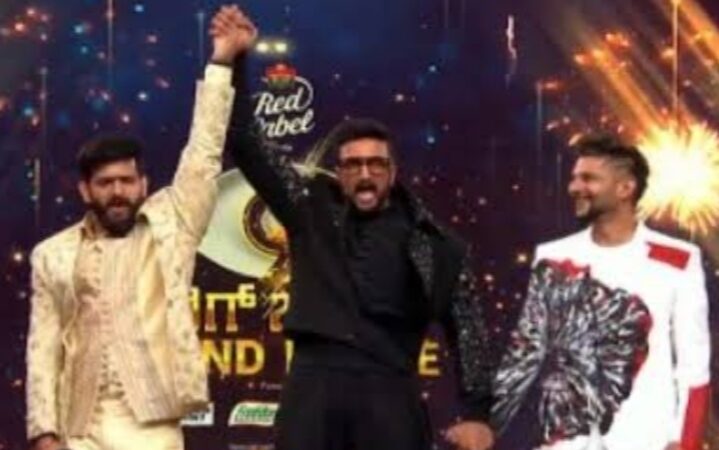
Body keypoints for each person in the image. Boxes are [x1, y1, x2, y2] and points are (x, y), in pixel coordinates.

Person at [223, 8, 495, 450]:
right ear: (339, 172)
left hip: (389, 391)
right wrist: (235, 61)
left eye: (376, 164)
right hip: (313, 388)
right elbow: (245, 142)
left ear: (393, 171)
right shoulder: (309, 207)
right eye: (353, 165)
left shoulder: (435, 242)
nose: (365, 174)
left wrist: (478, 414)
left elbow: (468, 331)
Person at [25, 6, 254, 450]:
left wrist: (221, 62)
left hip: (153, 426)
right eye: (105, 183)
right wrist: (44, 432)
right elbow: (43, 346)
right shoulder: (52, 254)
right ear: (85, 190)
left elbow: (204, 150)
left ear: (143, 185)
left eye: (127, 181)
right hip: (79, 429)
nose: (118, 192)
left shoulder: (173, 225)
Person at [495, 136, 710, 450]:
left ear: (625, 188)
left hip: (645, 439)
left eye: (588, 178)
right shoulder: (552, 256)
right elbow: (527, 350)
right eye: (573, 178)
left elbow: (694, 367)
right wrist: (489, 422)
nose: (574, 187)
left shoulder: (677, 260)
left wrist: (685, 443)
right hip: (564, 440)